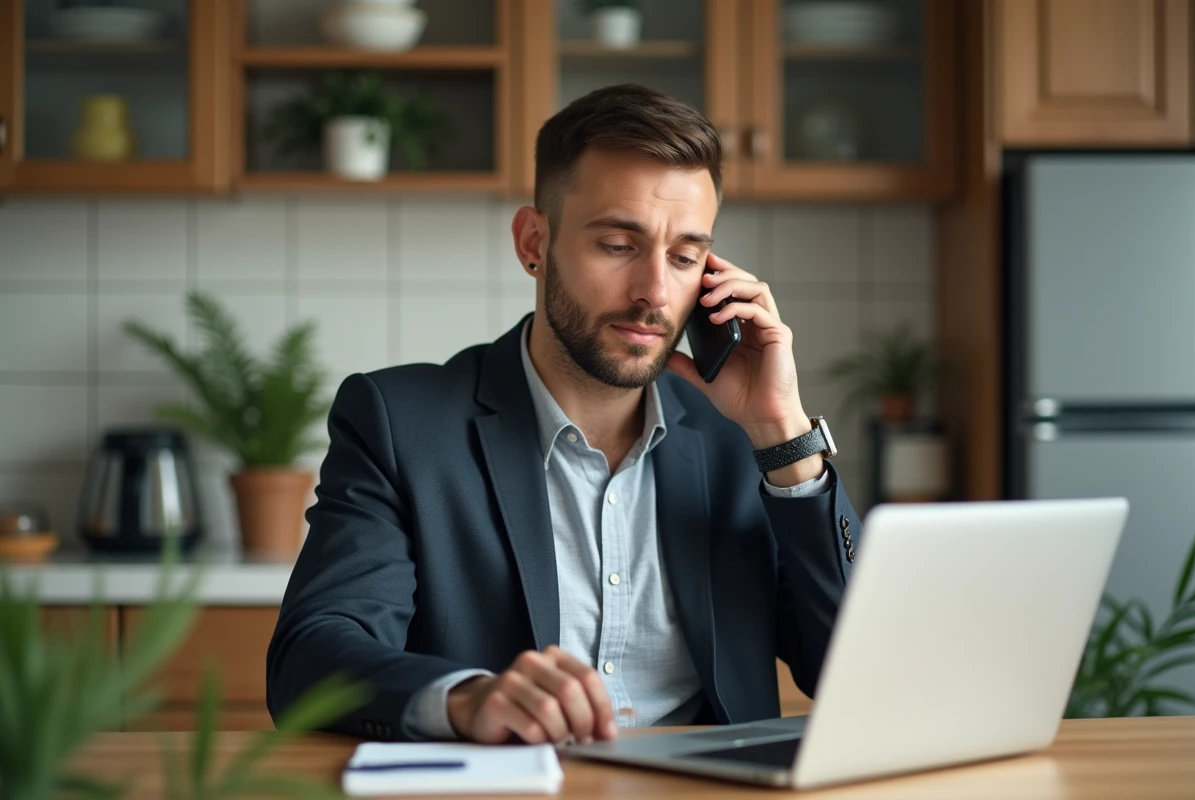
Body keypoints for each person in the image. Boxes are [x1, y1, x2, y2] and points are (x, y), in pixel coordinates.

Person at [266, 83, 861, 745]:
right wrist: (466, 700)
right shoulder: (400, 424)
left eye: (685, 257)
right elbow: (312, 655)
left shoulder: (740, 438)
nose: (654, 294)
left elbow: (856, 670)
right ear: (534, 243)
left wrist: (781, 430)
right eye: (617, 245)